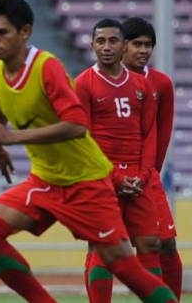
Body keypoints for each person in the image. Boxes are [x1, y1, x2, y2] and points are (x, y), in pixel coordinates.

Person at [0, 0, 177, 303]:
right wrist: (1, 147)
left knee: (125, 265)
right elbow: (0, 92)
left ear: (24, 32)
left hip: (88, 182)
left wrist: (11, 137)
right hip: (46, 180)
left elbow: (77, 126)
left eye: (1, 33)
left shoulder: (47, 68)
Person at [75, 18, 161, 303]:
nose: (107, 47)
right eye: (101, 41)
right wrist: (115, 178)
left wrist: (144, 174)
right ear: (92, 46)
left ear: (123, 45)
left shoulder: (141, 85)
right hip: (103, 178)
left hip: (138, 178)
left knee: (150, 243)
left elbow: (149, 134)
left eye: (113, 41)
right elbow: (83, 140)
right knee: (104, 246)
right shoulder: (83, 84)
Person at [122, 17, 183, 301]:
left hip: (147, 177)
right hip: (110, 177)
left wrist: (148, 174)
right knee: (104, 248)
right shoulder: (99, 81)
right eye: (137, 44)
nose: (143, 50)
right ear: (123, 46)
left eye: (148, 45)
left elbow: (162, 132)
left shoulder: (161, 84)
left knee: (165, 244)